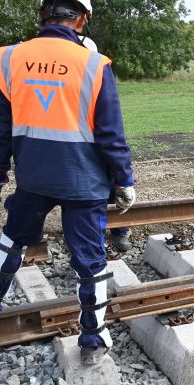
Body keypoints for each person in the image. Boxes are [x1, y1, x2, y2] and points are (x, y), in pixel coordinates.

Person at [0, 0, 136, 366]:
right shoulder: (94, 64)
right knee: (90, 259)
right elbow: (110, 133)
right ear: (82, 20)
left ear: (43, 13)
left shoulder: (10, 58)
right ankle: (93, 335)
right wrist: (124, 180)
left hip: (34, 177)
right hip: (85, 182)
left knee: (13, 241)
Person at [81, 34, 132, 253]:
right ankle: (105, 236)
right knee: (100, 194)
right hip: (86, 152)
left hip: (94, 150)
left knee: (112, 188)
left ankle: (118, 233)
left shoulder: (94, 75)